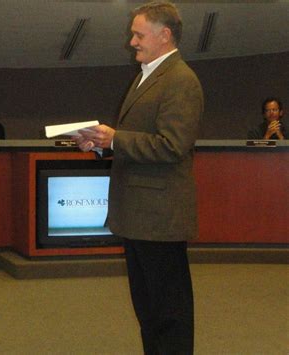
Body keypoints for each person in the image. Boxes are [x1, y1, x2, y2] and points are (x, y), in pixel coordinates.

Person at [73, 2, 203, 354]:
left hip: (160, 218)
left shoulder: (181, 80)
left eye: (138, 34)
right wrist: (101, 144)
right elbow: (140, 140)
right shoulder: (149, 74)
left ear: (164, 35)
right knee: (150, 312)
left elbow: (172, 146)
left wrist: (114, 137)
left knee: (169, 315)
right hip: (140, 216)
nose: (131, 41)